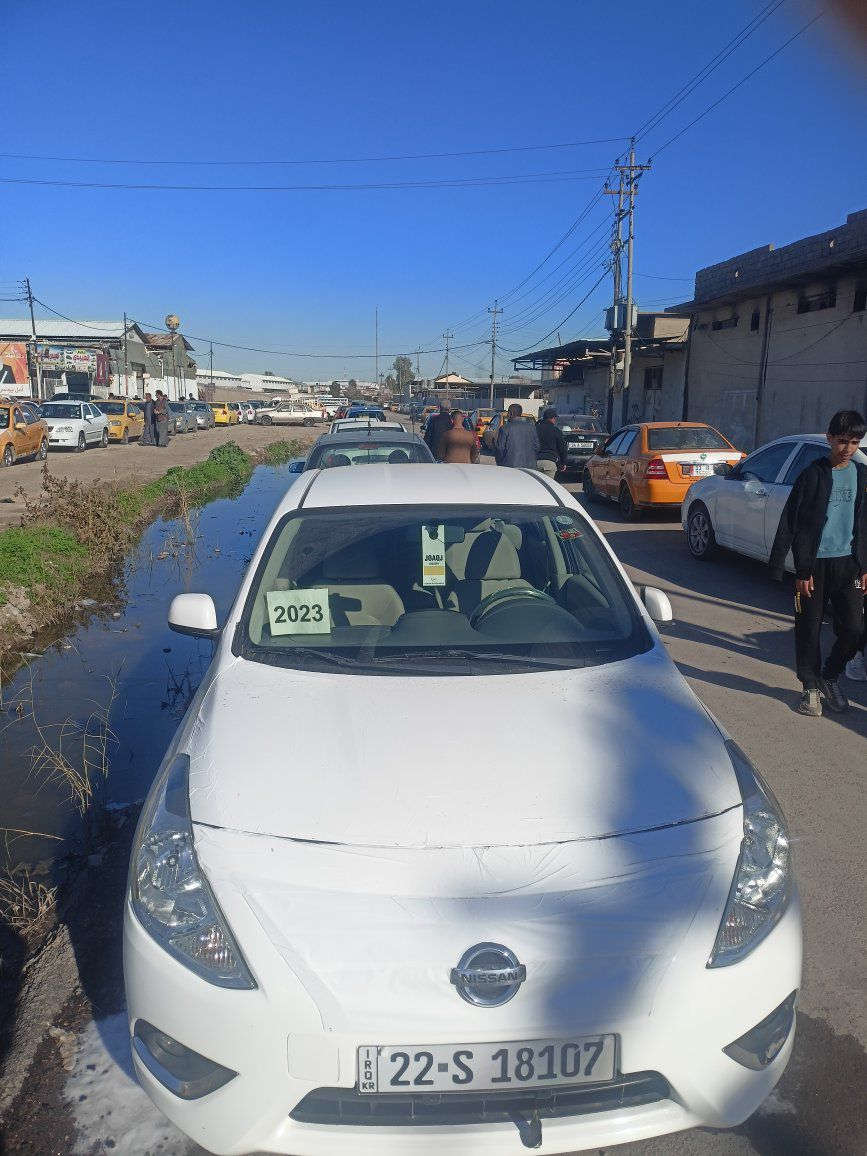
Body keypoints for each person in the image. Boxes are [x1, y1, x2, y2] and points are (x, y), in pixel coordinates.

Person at [769, 409, 867, 716]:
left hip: (848, 564)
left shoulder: (862, 475)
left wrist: (865, 566)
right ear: (829, 439)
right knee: (808, 629)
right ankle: (810, 686)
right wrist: (801, 569)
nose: (847, 448)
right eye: (841, 441)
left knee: (853, 629)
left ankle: (830, 676)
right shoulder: (813, 474)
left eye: (854, 442)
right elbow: (793, 521)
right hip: (815, 567)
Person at [496, 403, 539, 468]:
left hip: (510, 467)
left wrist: (500, 463)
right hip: (530, 467)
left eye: (508, 412)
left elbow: (500, 449)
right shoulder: (532, 427)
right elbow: (537, 447)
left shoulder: (505, 428)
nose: (507, 415)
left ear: (511, 413)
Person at [535, 407, 567, 477]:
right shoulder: (556, 430)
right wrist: (563, 463)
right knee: (547, 486)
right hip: (549, 462)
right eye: (555, 418)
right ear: (553, 418)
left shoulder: (535, 429)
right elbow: (562, 448)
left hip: (534, 462)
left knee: (535, 486)